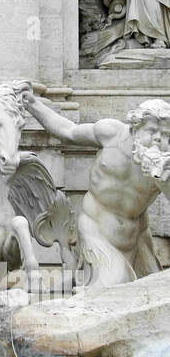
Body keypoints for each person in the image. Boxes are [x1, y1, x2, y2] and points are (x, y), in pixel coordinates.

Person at [22, 89, 170, 288]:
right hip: (97, 230)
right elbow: (68, 131)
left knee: (153, 291)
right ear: (136, 127)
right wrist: (33, 104)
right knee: (112, 289)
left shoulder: (165, 163)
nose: (158, 139)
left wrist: (162, 179)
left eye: (165, 134)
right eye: (152, 131)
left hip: (137, 237)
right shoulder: (111, 134)